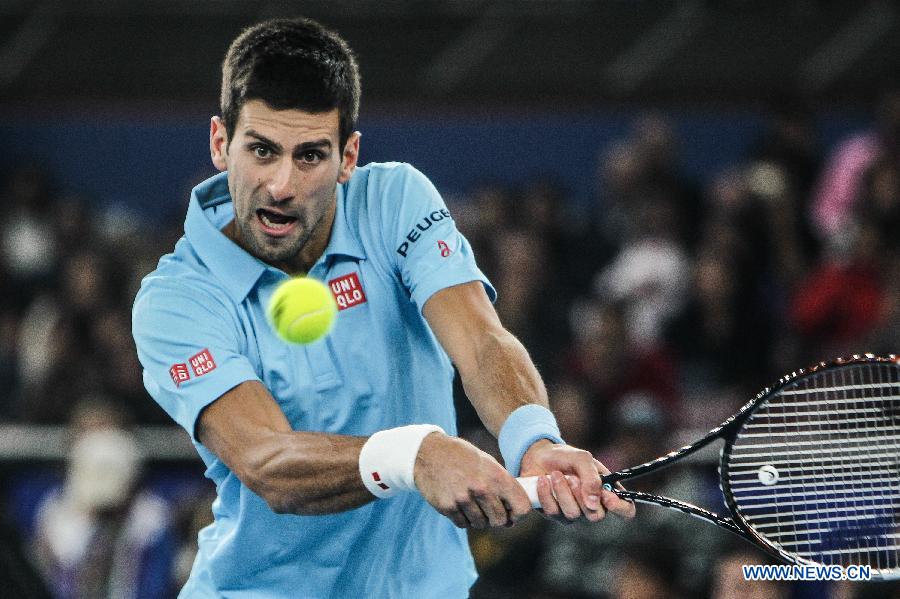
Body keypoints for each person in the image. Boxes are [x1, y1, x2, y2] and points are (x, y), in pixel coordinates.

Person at [131, 17, 634, 598]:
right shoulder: (177, 298)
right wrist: (412, 455)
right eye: (262, 151)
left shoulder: (394, 200)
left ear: (349, 157)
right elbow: (267, 461)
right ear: (221, 143)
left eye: (311, 156)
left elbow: (479, 340)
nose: (281, 185)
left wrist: (534, 438)